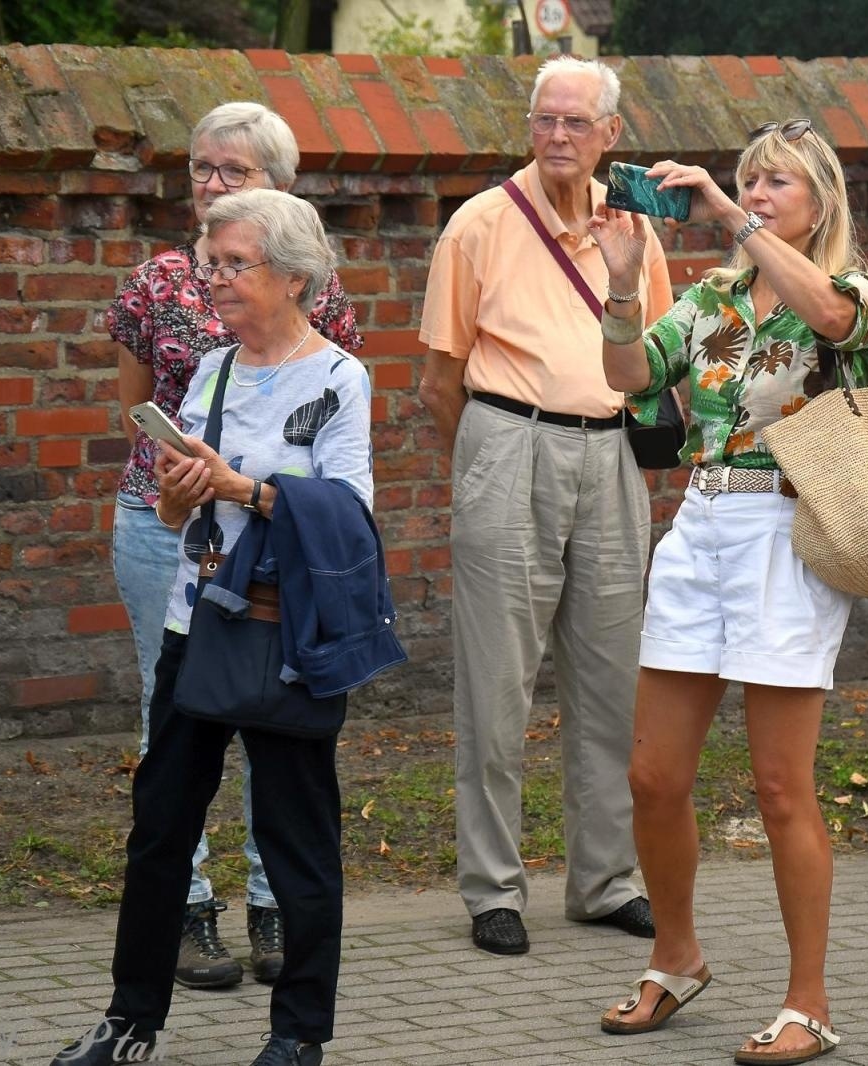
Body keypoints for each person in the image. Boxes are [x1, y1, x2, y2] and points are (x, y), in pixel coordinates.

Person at [54, 189, 378, 1066]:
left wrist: (243, 490)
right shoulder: (211, 371)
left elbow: (349, 514)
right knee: (160, 830)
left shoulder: (338, 379)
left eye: (236, 264)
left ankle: (298, 1035)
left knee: (296, 842)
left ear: (294, 277)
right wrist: (179, 493)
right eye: (213, 264)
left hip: (285, 637)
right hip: (193, 625)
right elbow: (175, 516)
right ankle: (130, 1022)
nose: (216, 280)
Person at [590, 118, 868, 1066]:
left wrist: (723, 214)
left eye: (776, 183)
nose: (755, 195)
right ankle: (676, 958)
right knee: (652, 777)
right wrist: (623, 284)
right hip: (700, 523)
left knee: (780, 786)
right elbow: (629, 375)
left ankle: (810, 1001)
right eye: (748, 181)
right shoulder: (711, 298)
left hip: (788, 530)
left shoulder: (851, 292)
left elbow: (830, 320)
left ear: (821, 203)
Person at [416, 55, 673, 956]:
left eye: (575, 122)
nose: (557, 135)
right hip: (507, 439)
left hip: (611, 452)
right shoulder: (478, 224)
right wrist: (491, 461)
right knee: (496, 685)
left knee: (614, 683)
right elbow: (439, 380)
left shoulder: (636, 226)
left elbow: (653, 359)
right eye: (544, 120)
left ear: (611, 134)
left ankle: (605, 882)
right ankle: (493, 888)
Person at [105, 101, 362, 989]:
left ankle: (271, 906)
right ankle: (185, 913)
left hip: (270, 549)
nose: (212, 184)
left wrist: (246, 488)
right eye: (201, 167)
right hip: (173, 524)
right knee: (173, 717)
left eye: (234, 171)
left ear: (280, 190)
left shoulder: (318, 301)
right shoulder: (156, 282)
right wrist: (180, 484)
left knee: (271, 725)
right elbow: (136, 406)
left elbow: (333, 437)